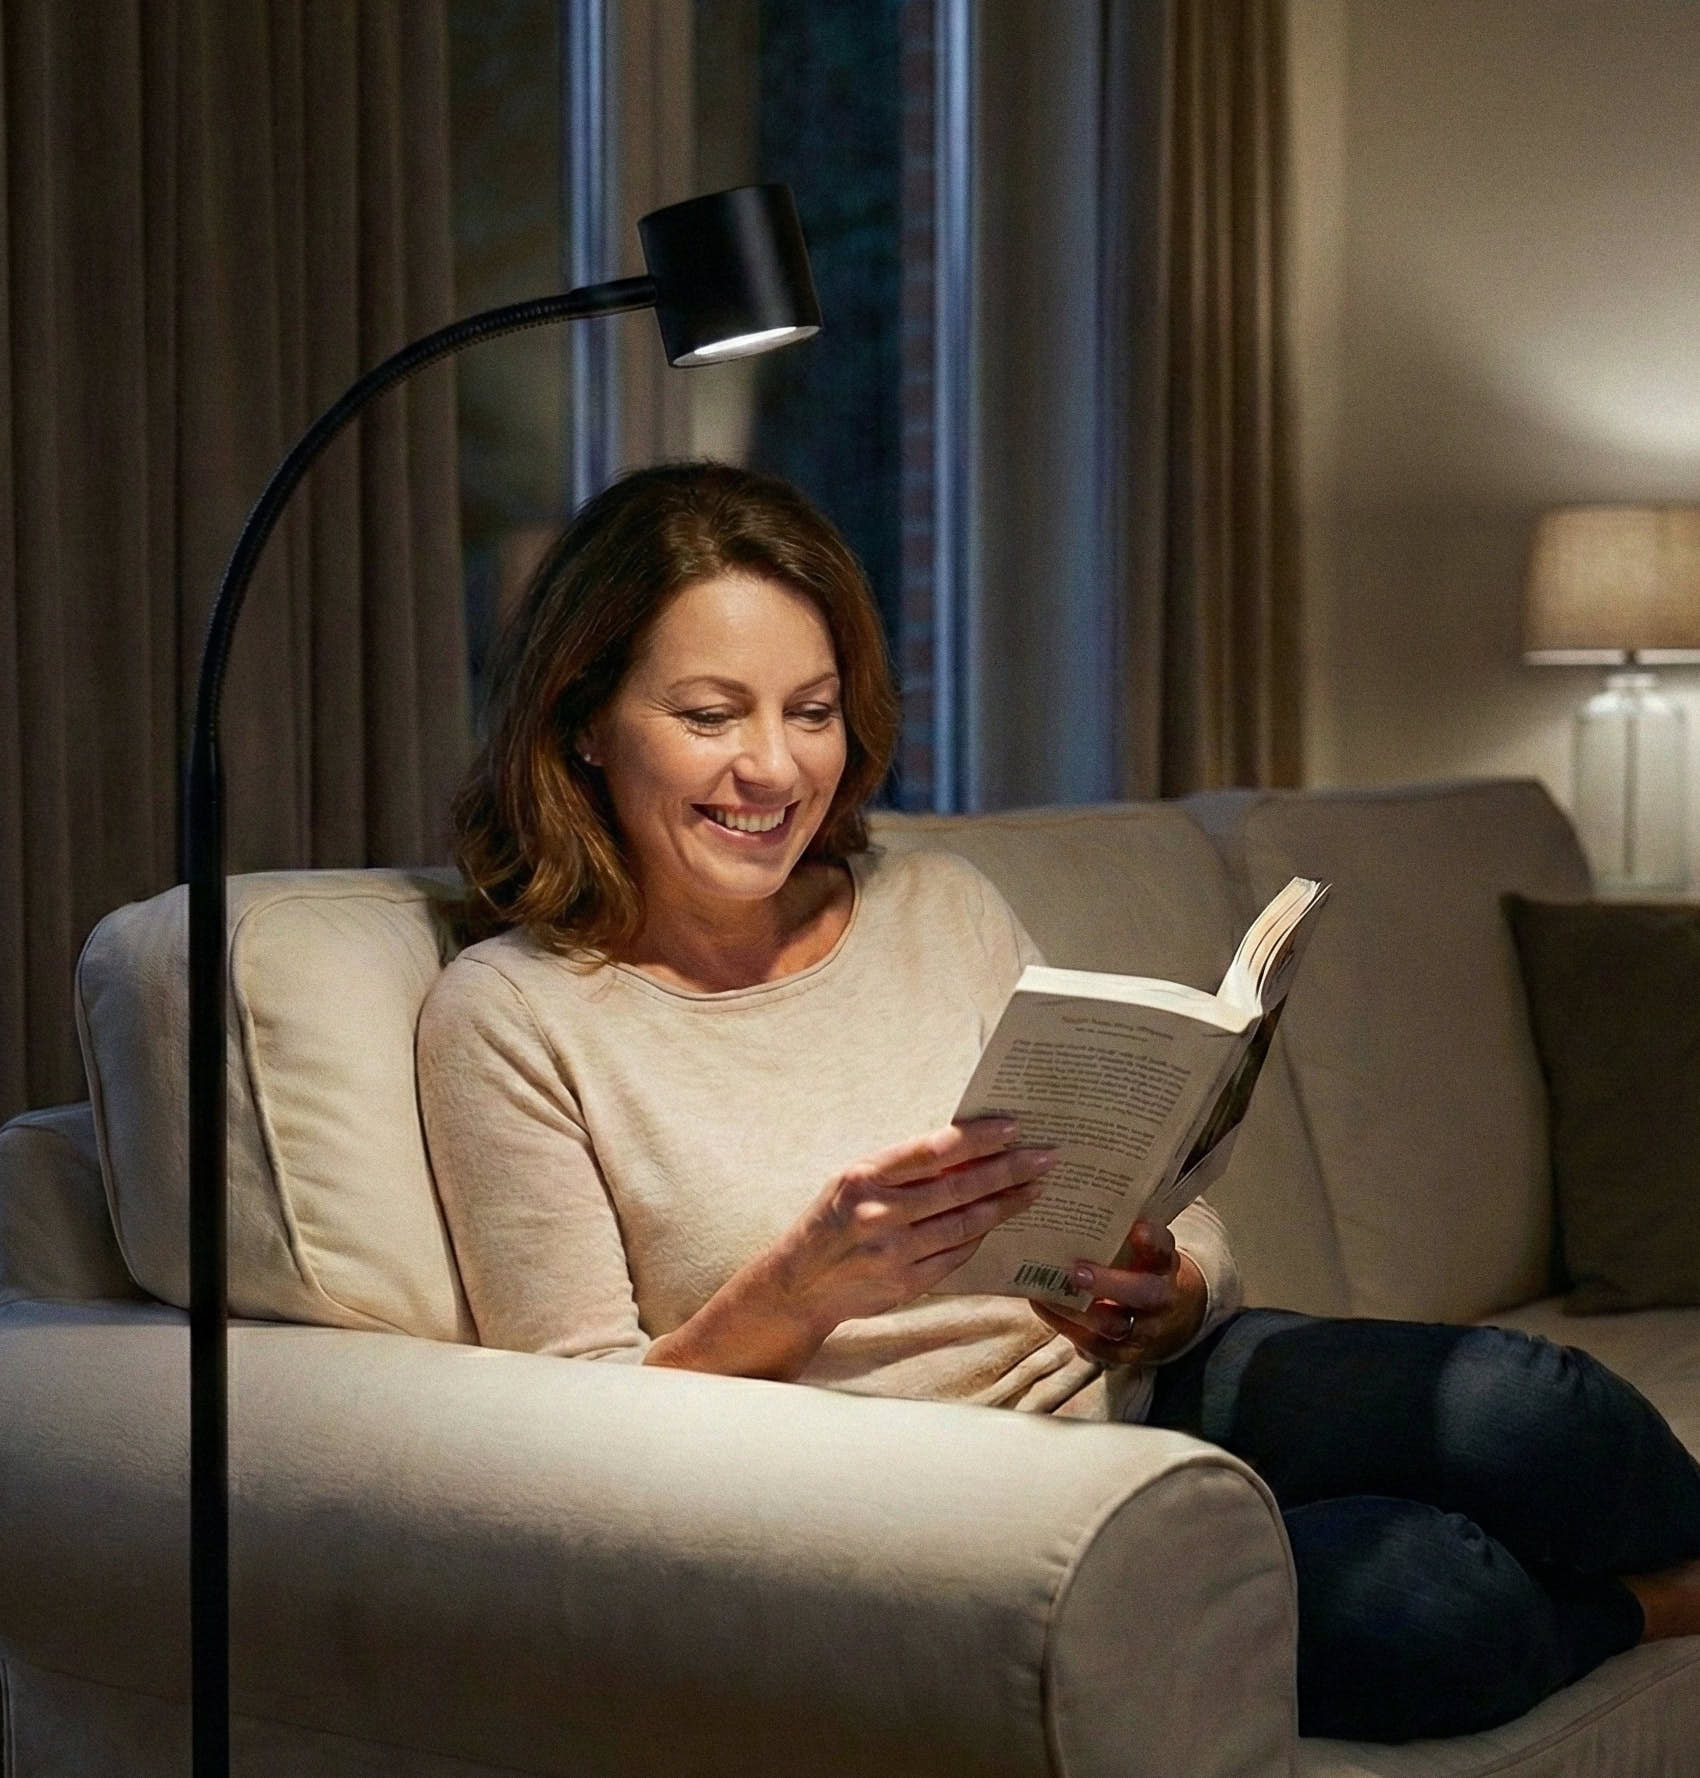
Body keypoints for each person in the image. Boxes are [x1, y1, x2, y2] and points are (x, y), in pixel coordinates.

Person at [417, 460, 1700, 1743]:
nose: (771, 766)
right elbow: (568, 1443)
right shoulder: (513, 1014)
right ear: (583, 717)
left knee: (1527, 1403)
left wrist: (1169, 1283)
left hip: (1132, 1381)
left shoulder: (933, 905)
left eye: (810, 710)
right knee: (1423, 1602)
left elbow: (1149, 1196)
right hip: (923, 1506)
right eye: (708, 713)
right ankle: (1638, 1609)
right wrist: (797, 1288)